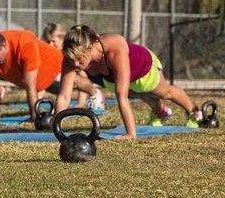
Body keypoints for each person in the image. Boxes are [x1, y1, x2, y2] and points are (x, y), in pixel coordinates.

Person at [55, 24, 204, 139]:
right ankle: (160, 113)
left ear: (91, 47)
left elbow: (122, 95)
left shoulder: (113, 49)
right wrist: (57, 127)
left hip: (143, 68)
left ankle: (194, 111)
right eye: (71, 59)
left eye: (79, 59)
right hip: (112, 76)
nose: (75, 64)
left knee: (163, 92)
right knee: (139, 94)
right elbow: (64, 96)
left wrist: (130, 133)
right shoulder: (71, 58)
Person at [0, 30, 105, 121]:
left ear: (4, 46)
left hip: (53, 66)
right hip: (38, 82)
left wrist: (34, 116)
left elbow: (30, 84)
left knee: (74, 81)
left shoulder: (24, 43)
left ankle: (96, 94)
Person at [42, 23, 104, 108]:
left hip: (72, 80)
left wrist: (80, 103)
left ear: (61, 39)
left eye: (53, 41)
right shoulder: (48, 53)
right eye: (48, 41)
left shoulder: (69, 54)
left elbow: (82, 75)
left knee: (74, 78)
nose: (50, 45)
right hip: (57, 82)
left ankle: (95, 93)